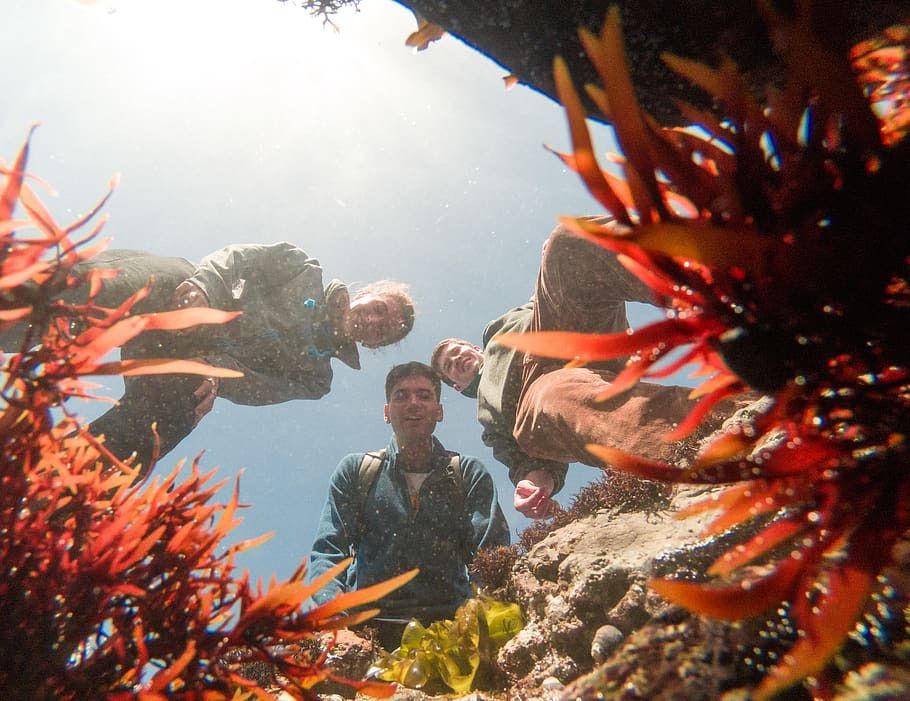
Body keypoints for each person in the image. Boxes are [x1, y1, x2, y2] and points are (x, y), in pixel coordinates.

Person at [40, 242, 414, 476]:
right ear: (369, 293)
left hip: (193, 364)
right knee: (149, 280)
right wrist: (204, 288)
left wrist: (216, 372)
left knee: (187, 405)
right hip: (189, 298)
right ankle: (26, 298)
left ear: (375, 345)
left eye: (385, 330)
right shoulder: (303, 268)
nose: (375, 322)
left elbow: (259, 389)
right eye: (379, 309)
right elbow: (237, 259)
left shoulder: (316, 378)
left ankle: (64, 482)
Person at [431, 222, 701, 520]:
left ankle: (713, 279)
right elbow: (530, 462)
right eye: (448, 366)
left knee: (567, 242)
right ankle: (700, 436)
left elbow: (548, 295)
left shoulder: (499, 329)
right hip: (537, 390)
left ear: (476, 348)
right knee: (558, 399)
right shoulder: (490, 420)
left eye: (458, 350)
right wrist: (533, 485)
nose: (456, 359)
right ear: (456, 385)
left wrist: (552, 263)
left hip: (559, 336)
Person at [308, 361, 510, 649]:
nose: (413, 403)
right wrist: (336, 620)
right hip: (365, 631)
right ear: (387, 413)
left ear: (439, 412)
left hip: (451, 629)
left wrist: (485, 622)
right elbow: (328, 551)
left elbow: (490, 554)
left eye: (424, 395)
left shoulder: (468, 473)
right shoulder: (356, 470)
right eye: (400, 396)